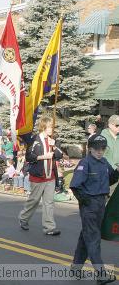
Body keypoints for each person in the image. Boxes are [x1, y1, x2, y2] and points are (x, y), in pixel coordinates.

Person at [70, 134, 118, 285]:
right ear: (90, 148)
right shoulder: (85, 163)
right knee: (93, 239)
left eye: (103, 149)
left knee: (86, 236)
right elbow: (75, 185)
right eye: (96, 149)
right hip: (90, 204)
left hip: (101, 203)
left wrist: (117, 171)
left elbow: (112, 178)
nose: (100, 152)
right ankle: (101, 274)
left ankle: (76, 267)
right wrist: (85, 201)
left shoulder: (104, 162)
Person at [18, 116, 63, 236]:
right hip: (38, 176)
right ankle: (23, 218)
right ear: (44, 127)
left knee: (49, 203)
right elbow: (29, 157)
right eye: (49, 127)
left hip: (50, 177)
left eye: (52, 127)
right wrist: (44, 156)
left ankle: (49, 228)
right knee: (34, 200)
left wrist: (53, 146)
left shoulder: (52, 140)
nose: (51, 129)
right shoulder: (35, 139)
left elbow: (59, 155)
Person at [100, 115, 119, 196]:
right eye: (117, 125)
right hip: (107, 174)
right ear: (110, 125)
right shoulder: (102, 137)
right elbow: (99, 156)